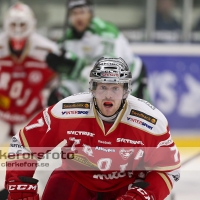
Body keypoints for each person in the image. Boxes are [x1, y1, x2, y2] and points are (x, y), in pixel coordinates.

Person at [5, 57, 180, 200]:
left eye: (115, 88)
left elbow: (169, 170)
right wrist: (19, 184)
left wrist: (144, 195)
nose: (108, 95)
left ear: (126, 91)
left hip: (126, 183)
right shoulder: (66, 111)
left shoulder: (150, 122)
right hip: (76, 178)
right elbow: (24, 144)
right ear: (93, 88)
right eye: (102, 87)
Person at [46, 0, 150, 106]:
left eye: (82, 12)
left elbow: (107, 70)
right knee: (57, 97)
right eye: (74, 13)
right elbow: (66, 73)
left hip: (129, 80)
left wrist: (75, 65)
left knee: (139, 115)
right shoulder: (66, 39)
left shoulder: (105, 31)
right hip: (91, 85)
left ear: (90, 13)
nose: (78, 17)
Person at [0, 2, 58, 144]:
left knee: (32, 155)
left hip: (31, 111)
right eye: (14, 25)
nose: (18, 30)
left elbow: (57, 78)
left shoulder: (48, 50)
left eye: (22, 25)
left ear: (31, 25)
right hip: (2, 112)